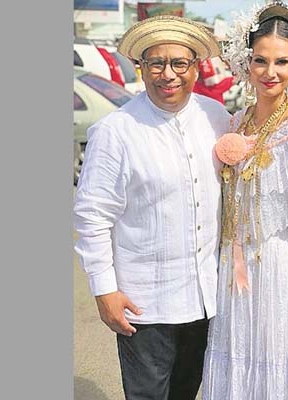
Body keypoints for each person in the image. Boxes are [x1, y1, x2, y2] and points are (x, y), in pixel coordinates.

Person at [73, 15, 232, 400]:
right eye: (155, 63)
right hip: (146, 303)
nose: (168, 74)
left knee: (187, 392)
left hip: (206, 298)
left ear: (196, 66)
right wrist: (104, 289)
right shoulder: (115, 131)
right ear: (141, 69)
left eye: (179, 63)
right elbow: (93, 216)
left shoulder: (217, 119)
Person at [202, 2, 288, 399]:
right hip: (233, 272)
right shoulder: (235, 122)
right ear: (246, 63)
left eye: (282, 61)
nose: (270, 72)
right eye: (261, 60)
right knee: (238, 362)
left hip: (281, 269)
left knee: (281, 362)